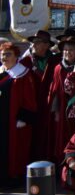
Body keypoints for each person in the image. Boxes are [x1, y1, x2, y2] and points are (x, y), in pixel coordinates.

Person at [47, 29, 75, 163]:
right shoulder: (58, 68)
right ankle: (63, 163)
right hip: (63, 107)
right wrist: (56, 110)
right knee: (61, 137)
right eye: (65, 50)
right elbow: (54, 90)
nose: (67, 52)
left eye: (71, 50)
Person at [0, 42, 37, 185]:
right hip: (2, 119)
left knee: (15, 150)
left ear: (16, 57)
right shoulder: (1, 71)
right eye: (3, 54)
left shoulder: (23, 74)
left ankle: (13, 177)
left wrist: (24, 118)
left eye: (8, 54)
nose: (5, 57)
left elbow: (30, 98)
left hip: (15, 120)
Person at [21, 29, 61, 161]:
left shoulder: (56, 61)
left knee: (49, 135)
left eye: (42, 43)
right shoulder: (25, 62)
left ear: (47, 45)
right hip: (31, 106)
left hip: (50, 106)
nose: (37, 45)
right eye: (35, 42)